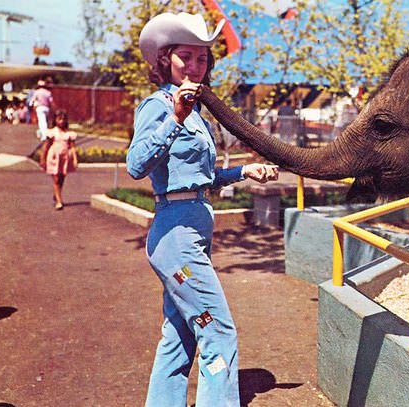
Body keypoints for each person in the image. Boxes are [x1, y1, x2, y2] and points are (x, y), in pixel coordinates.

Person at [128, 12, 279, 407]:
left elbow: (200, 177)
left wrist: (243, 170)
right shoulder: (159, 106)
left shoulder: (195, 112)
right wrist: (174, 118)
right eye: (186, 57)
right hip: (175, 236)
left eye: (202, 58)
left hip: (195, 225)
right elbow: (135, 166)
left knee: (180, 333)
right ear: (164, 59)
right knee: (218, 331)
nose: (195, 66)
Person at [40, 110, 77, 210]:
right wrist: (42, 158)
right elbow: (46, 146)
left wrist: (75, 159)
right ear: (55, 120)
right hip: (54, 157)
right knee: (56, 179)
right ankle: (59, 201)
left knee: (61, 178)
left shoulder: (69, 134)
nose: (62, 121)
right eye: (59, 119)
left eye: (63, 119)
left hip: (65, 158)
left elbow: (73, 147)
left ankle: (56, 194)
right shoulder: (52, 132)